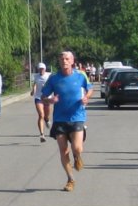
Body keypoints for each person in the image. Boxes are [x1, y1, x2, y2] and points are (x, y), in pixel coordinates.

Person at [42, 51, 94, 192]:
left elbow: (90, 88)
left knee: (77, 148)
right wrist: (50, 100)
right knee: (64, 151)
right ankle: (70, 179)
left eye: (67, 59)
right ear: (59, 62)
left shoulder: (80, 75)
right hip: (60, 119)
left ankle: (77, 156)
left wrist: (86, 97)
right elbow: (43, 97)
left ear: (72, 61)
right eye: (62, 59)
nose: (64, 61)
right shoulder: (54, 78)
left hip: (77, 117)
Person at [31, 63, 52, 143]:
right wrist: (33, 90)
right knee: (41, 115)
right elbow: (35, 84)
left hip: (47, 98)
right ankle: (42, 134)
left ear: (45, 69)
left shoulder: (49, 75)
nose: (41, 70)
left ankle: (47, 120)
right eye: (40, 69)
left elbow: (52, 84)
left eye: (42, 69)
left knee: (46, 116)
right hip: (38, 97)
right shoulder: (36, 76)